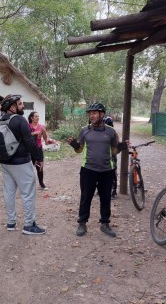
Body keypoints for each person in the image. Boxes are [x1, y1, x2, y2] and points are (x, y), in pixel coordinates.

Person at [67, 102, 128, 238]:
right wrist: (74, 144)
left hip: (107, 171)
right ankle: (82, 223)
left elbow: (113, 151)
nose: (91, 116)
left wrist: (122, 146)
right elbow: (79, 150)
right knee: (85, 197)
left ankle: (105, 224)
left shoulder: (111, 132)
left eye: (94, 113)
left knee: (106, 198)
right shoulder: (84, 130)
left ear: (102, 114)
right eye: (90, 113)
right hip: (88, 170)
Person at [0, 94, 46, 235]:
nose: (23, 106)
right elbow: (29, 141)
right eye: (20, 104)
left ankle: (11, 222)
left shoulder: (1, 120)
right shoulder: (20, 120)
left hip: (5, 162)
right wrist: (38, 158)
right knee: (28, 193)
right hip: (21, 162)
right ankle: (29, 225)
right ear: (12, 107)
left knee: (9, 192)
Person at [28, 111, 49, 190]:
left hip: (39, 149)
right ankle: (29, 185)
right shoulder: (28, 126)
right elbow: (25, 136)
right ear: (32, 118)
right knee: (28, 168)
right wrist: (34, 133)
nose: (38, 118)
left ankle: (41, 183)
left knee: (40, 168)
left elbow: (45, 139)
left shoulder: (41, 127)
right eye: (36, 116)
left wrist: (47, 139)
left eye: (38, 116)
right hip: (30, 150)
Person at [103, 112, 118, 198]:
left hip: (111, 157)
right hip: (104, 157)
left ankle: (114, 191)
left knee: (112, 174)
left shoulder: (113, 133)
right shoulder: (102, 132)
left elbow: (116, 145)